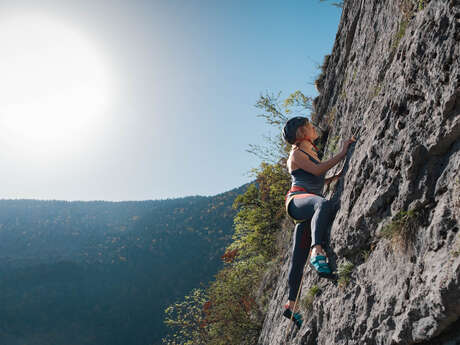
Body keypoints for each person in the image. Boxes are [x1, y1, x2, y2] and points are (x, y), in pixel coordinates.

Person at [281, 116, 356, 327]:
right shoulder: (296, 154)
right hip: (297, 200)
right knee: (323, 205)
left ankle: (291, 304)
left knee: (297, 258)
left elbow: (316, 179)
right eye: (310, 127)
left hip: (305, 202)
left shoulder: (308, 152)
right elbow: (317, 170)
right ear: (302, 133)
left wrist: (336, 177)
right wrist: (343, 151)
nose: (314, 129)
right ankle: (317, 251)